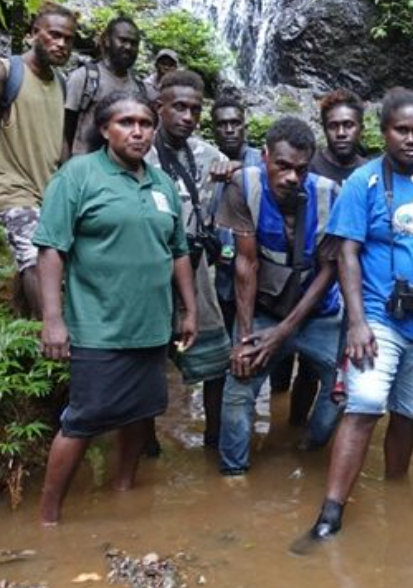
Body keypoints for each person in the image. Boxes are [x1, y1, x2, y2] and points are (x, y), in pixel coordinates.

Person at [306, 87, 413, 541]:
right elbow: (347, 254)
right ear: (383, 133)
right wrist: (357, 322)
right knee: (363, 406)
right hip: (379, 318)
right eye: (401, 130)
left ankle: (398, 493)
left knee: (411, 413)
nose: (411, 139)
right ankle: (331, 512)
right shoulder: (363, 182)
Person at [35, 92, 197, 525]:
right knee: (83, 422)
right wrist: (53, 320)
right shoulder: (79, 175)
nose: (138, 131)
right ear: (105, 129)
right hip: (98, 327)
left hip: (151, 326)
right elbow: (51, 249)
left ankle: (124, 491)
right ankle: (49, 518)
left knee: (139, 414)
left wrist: (189, 310)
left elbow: (178, 251)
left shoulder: (161, 183)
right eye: (126, 122)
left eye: (145, 122)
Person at [217, 117, 343, 474]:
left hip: (319, 313)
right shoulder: (244, 186)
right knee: (239, 385)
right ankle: (232, 475)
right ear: (264, 156)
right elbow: (245, 264)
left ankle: (311, 448)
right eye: (282, 166)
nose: (291, 178)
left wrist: (283, 333)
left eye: (301, 170)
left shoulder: (329, 195)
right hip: (265, 310)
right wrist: (245, 338)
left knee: (344, 387)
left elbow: (328, 270)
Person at [273, 88, 369, 431]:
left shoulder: (371, 172)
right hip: (298, 282)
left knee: (327, 368)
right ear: (324, 128)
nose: (341, 132)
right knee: (285, 372)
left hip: (348, 286)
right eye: (334, 126)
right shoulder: (306, 165)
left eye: (348, 125)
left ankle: (312, 439)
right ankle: (288, 425)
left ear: (362, 127)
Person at [146, 70, 231, 451]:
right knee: (145, 364)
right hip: (146, 270)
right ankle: (146, 445)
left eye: (195, 110)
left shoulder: (210, 156)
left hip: (195, 270)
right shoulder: (139, 148)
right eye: (179, 107)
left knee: (217, 359)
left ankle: (214, 440)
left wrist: (235, 169)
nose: (187, 116)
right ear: (158, 107)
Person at [0, 3, 76, 318]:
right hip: (11, 188)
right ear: (33, 33)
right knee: (37, 257)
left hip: (49, 190)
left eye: (68, 39)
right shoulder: (7, 71)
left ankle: (25, 326)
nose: (61, 44)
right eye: (54, 35)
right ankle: (52, 339)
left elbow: (61, 141)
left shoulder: (61, 83)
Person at [64, 16, 154, 157]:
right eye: (123, 40)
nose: (128, 47)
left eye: (134, 43)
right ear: (106, 41)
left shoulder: (140, 89)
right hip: (85, 167)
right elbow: (65, 129)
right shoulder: (84, 78)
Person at [209, 95, 262, 334]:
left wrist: (239, 168)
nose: (229, 130)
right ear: (214, 128)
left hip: (258, 270)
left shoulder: (263, 161)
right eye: (222, 124)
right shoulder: (205, 161)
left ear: (244, 126)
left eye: (235, 123)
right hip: (220, 268)